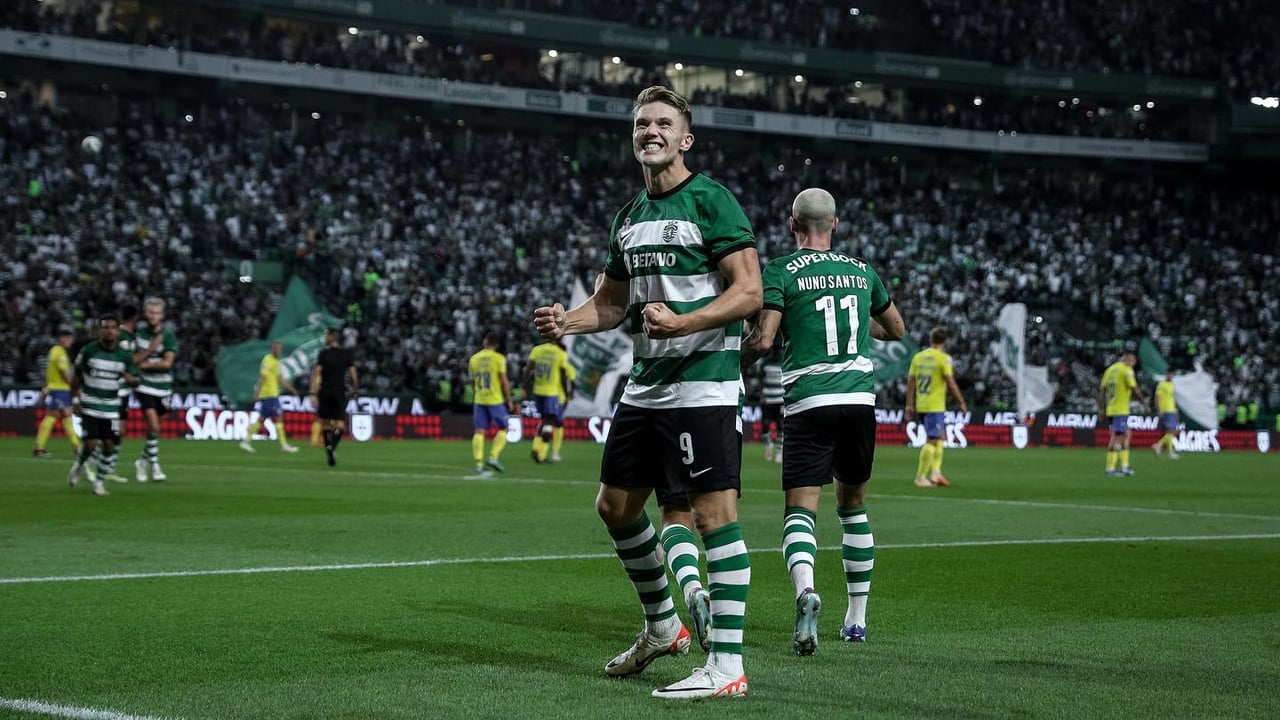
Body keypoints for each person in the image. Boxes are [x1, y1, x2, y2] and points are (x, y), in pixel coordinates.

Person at [533, 86, 760, 701]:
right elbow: (611, 304)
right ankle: (663, 625)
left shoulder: (711, 200)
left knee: (713, 516)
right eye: (641, 124)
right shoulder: (629, 217)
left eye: (663, 123)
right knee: (614, 507)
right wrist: (568, 321)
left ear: (686, 139)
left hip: (704, 385)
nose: (650, 131)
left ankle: (727, 666)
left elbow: (749, 292)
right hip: (647, 388)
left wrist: (684, 323)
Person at [742, 187, 906, 653]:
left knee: (800, 511)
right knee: (853, 509)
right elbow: (896, 328)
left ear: (792, 224)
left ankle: (807, 592)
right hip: (858, 400)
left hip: (809, 401)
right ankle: (856, 620)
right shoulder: (862, 271)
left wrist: (731, 363)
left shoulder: (780, 271)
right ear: (835, 224)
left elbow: (763, 340)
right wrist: (859, 328)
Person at [68, 313, 138, 497]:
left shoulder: (124, 355)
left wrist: (132, 379)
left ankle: (99, 481)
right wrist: (75, 400)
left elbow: (135, 378)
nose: (109, 331)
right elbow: (76, 377)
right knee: (90, 443)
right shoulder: (89, 350)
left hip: (112, 408)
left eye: (113, 328)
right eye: (105, 327)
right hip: (90, 405)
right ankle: (79, 464)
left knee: (109, 444)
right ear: (99, 330)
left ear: (118, 331)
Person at [905, 327, 968, 488]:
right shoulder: (943, 358)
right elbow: (950, 382)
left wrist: (909, 405)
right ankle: (920, 477)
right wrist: (961, 401)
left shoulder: (918, 357)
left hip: (921, 404)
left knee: (940, 437)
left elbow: (911, 382)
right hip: (935, 406)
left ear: (930, 339)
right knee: (932, 440)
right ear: (944, 341)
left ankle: (936, 474)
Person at [132, 297, 177, 482]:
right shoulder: (138, 333)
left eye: (157, 313)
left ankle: (142, 461)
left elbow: (167, 363)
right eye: (151, 312)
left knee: (154, 430)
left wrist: (143, 364)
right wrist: (151, 350)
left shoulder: (168, 335)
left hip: (164, 387)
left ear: (162, 315)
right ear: (145, 313)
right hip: (144, 386)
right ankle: (155, 466)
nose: (153, 316)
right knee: (154, 426)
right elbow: (132, 360)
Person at [240, 341, 301, 454]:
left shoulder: (276, 362)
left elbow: (280, 379)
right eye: (277, 349)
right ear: (273, 349)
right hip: (269, 395)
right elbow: (262, 377)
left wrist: (292, 389)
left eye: (280, 349)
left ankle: (246, 441)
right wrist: (257, 393)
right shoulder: (267, 360)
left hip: (272, 394)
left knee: (262, 418)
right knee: (278, 417)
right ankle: (283, 445)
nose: (279, 351)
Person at [468, 332, 517, 474]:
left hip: (479, 399)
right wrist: (509, 399)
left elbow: (472, 382)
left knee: (479, 431)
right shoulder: (499, 358)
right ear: (496, 345)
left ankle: (478, 463)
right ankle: (493, 457)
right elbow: (504, 381)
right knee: (504, 428)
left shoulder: (474, 359)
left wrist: (477, 392)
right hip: (495, 400)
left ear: (485, 342)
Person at [310, 328, 358, 467]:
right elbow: (353, 374)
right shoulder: (346, 354)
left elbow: (317, 372)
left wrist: (313, 393)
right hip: (339, 391)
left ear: (332, 337)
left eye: (327, 335)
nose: (325, 337)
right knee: (340, 424)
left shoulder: (323, 354)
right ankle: (332, 448)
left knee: (325, 423)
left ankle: (328, 448)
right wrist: (355, 390)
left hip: (325, 391)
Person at [524, 339, 574, 464]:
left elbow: (528, 370)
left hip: (538, 390)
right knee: (553, 423)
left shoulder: (537, 350)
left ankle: (536, 448)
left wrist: (524, 387)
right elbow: (567, 379)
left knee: (544, 420)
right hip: (555, 395)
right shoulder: (561, 355)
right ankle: (543, 454)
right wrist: (567, 395)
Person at [33, 328, 80, 458]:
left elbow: (50, 374)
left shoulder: (54, 351)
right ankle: (39, 447)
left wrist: (47, 388)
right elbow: (64, 374)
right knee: (58, 417)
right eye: (69, 339)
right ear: (62, 338)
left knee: (61, 417)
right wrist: (75, 384)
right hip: (60, 390)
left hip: (57, 389)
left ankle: (76, 446)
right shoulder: (60, 353)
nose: (70, 342)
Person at [1100, 351, 1146, 476]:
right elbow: (1134, 388)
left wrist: (1101, 408)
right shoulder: (1126, 370)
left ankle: (1125, 466)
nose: (1133, 364)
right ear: (1128, 359)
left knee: (1126, 434)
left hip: (1111, 409)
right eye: (1133, 361)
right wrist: (1144, 402)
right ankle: (1110, 468)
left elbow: (1102, 389)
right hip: (1120, 409)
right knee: (1117, 438)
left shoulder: (1110, 370)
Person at [759, 348, 784, 463]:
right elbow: (760, 379)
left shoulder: (784, 362)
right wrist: (761, 394)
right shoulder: (765, 363)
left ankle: (779, 451)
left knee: (781, 426)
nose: (776, 353)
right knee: (765, 424)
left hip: (780, 399)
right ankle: (769, 444)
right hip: (767, 398)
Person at [1151, 370, 1180, 459]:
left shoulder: (1172, 385)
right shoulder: (1162, 384)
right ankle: (1160, 446)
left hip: (1172, 411)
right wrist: (1159, 410)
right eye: (1169, 374)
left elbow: (1172, 399)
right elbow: (1157, 397)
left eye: (1172, 374)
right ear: (1166, 375)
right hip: (1165, 410)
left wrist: (1175, 410)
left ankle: (1167, 450)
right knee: (1171, 431)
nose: (1170, 376)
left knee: (1170, 432)